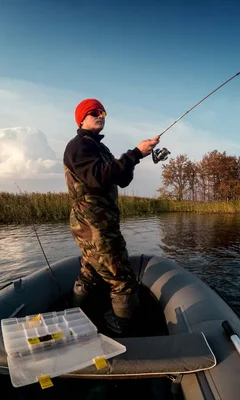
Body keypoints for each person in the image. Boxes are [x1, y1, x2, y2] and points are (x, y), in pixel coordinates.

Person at [63, 98, 159, 333]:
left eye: (103, 112)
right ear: (81, 118)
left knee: (90, 272)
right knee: (122, 280)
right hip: (93, 225)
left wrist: (137, 158)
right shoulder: (78, 146)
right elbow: (97, 177)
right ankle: (122, 327)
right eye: (94, 112)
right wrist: (135, 153)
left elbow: (121, 179)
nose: (100, 115)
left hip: (101, 223)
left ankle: (75, 316)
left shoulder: (100, 148)